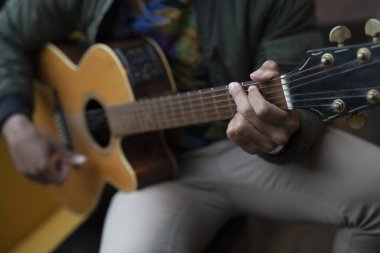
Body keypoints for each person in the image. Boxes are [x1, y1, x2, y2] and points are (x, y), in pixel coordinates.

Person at [1, 0, 380, 252]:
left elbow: (299, 92)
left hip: (249, 155)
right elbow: (6, 34)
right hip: (149, 175)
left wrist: (289, 131)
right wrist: (15, 121)